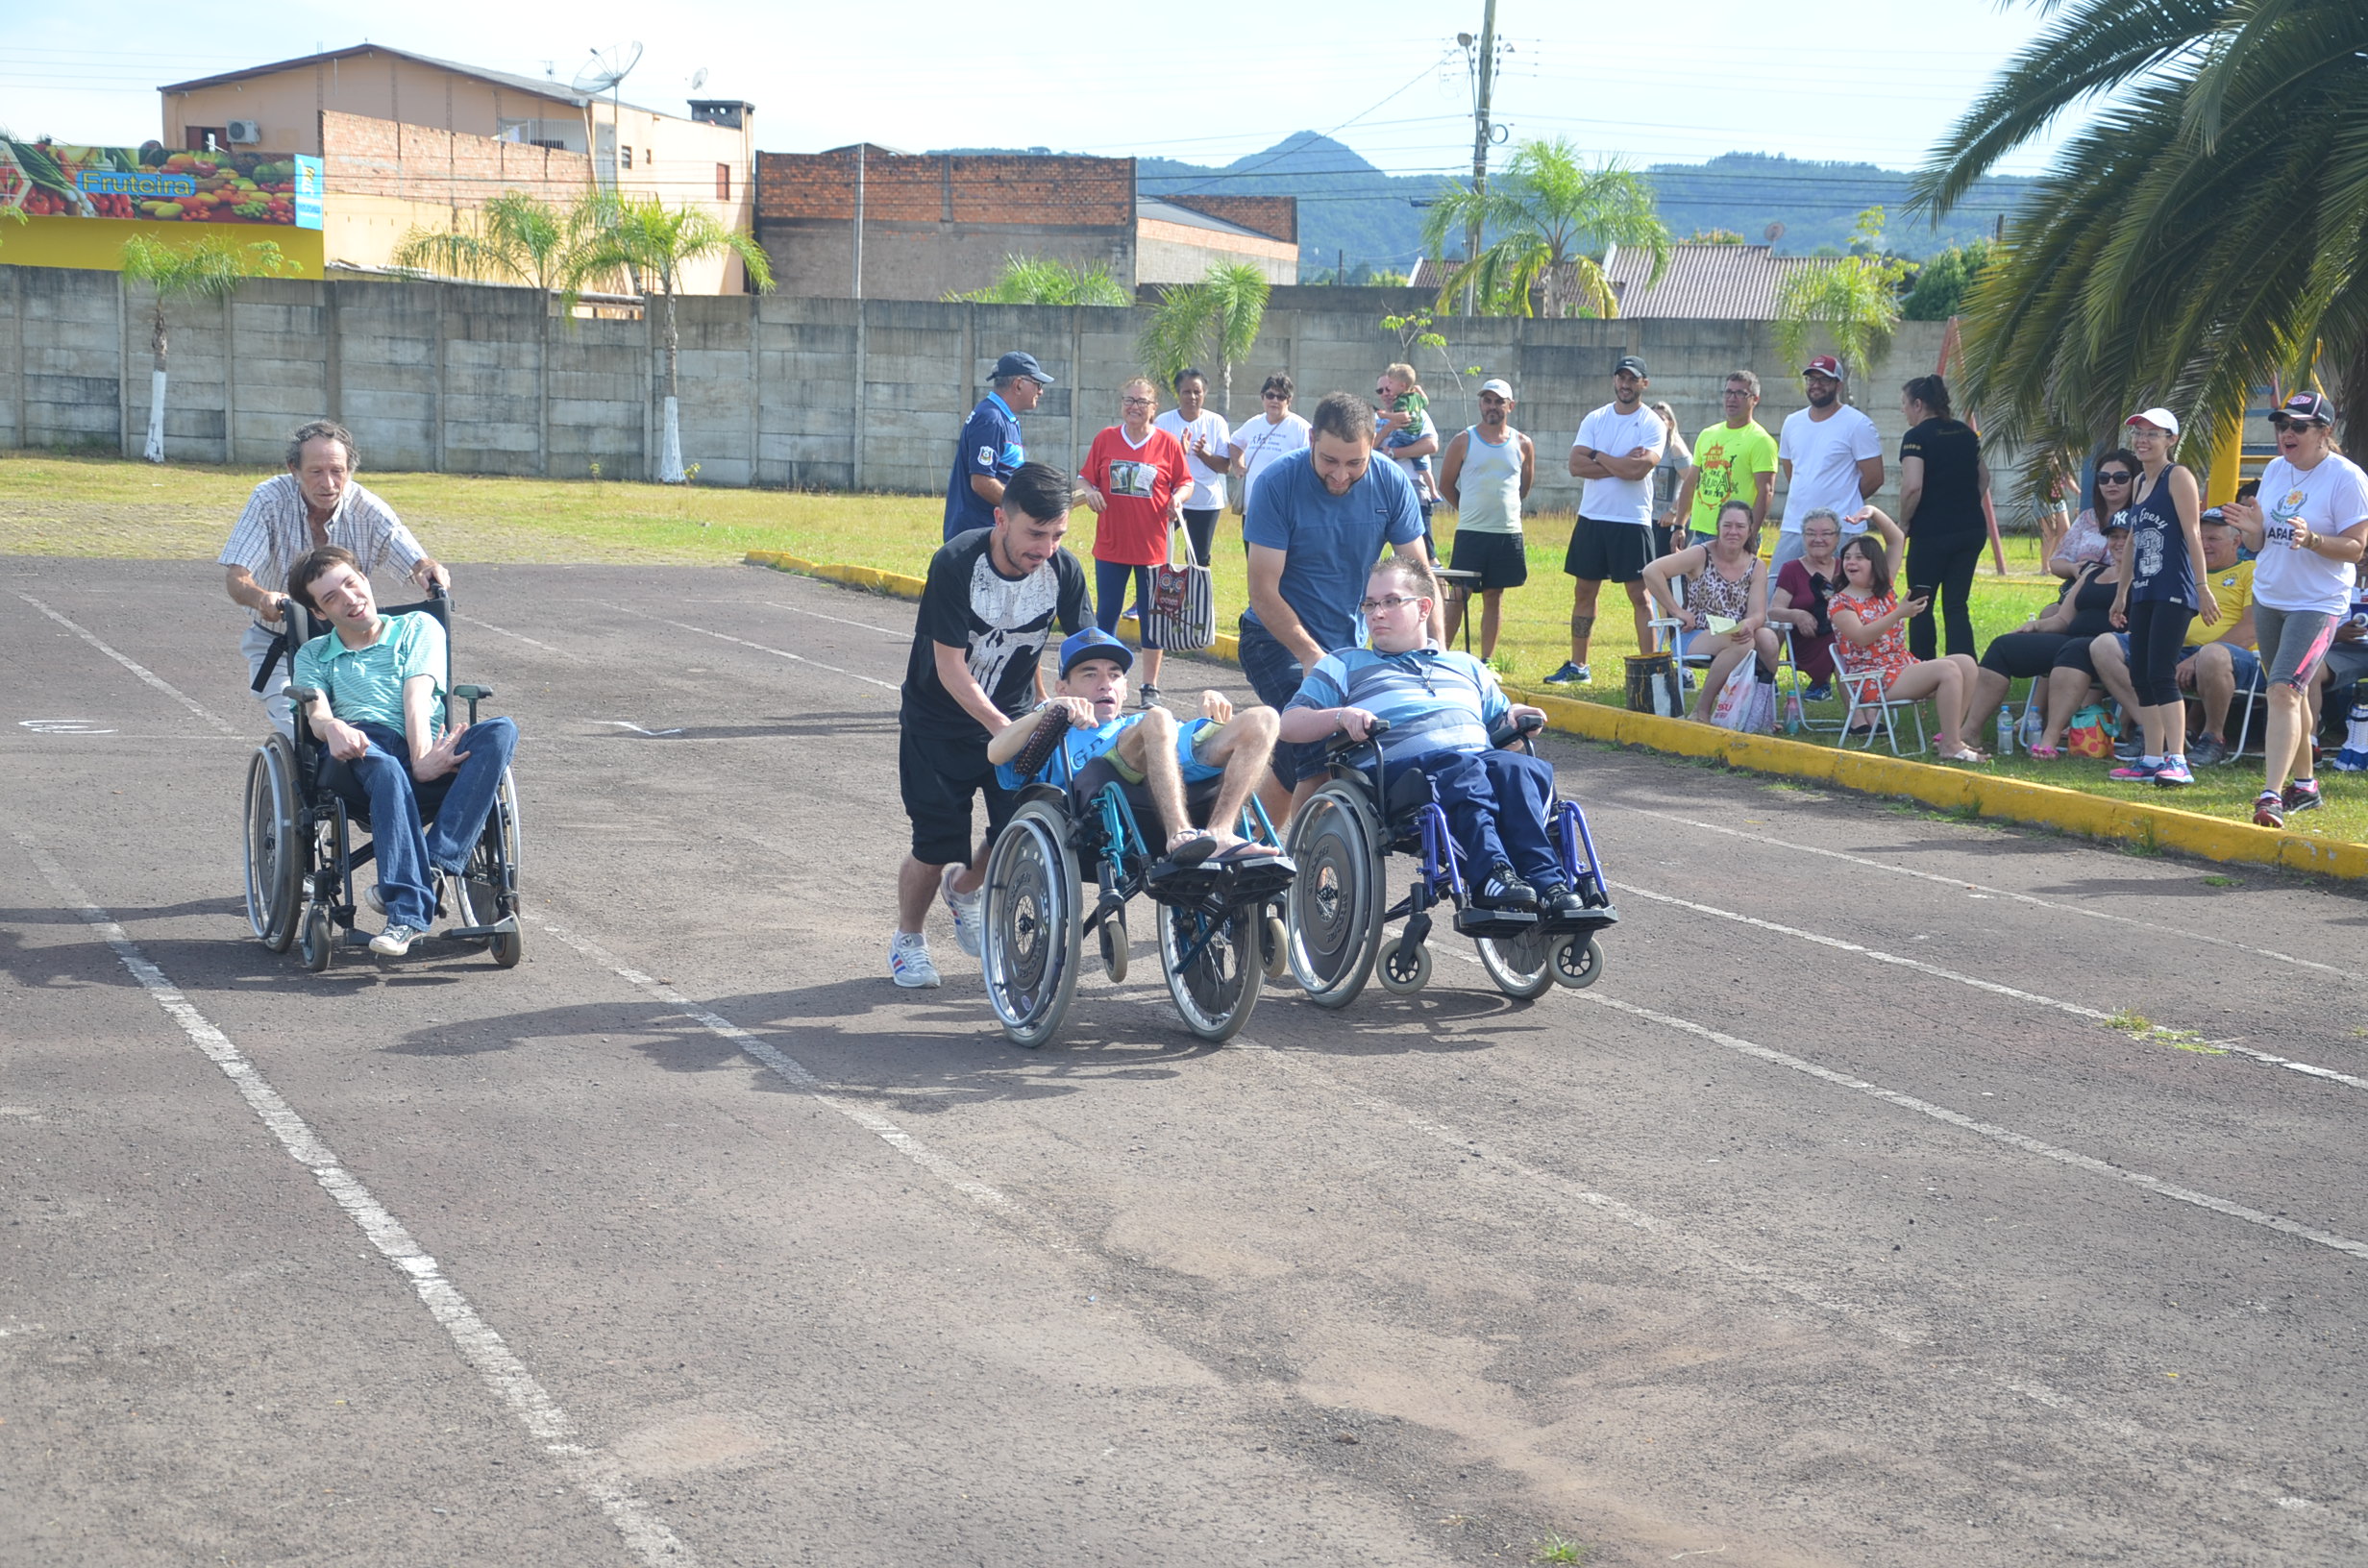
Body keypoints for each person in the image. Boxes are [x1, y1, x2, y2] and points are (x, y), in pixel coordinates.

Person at [1275, 556, 1582, 917]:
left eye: (1390, 601)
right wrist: (1342, 716)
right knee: (1464, 768)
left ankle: (1548, 882)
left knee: (1519, 769)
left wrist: (1514, 715)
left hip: (1473, 764)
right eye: (1370, 604)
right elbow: (1290, 723)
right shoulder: (1344, 664)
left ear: (1423, 608)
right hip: (1402, 778)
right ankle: (1491, 875)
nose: (1376, 613)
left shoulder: (1466, 666)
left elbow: (1501, 723)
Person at [894, 462, 1092, 989]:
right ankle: (908, 939)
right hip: (939, 723)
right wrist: (1006, 727)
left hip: (1017, 722)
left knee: (1020, 828)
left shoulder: (1064, 571)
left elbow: (1088, 652)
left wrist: (1096, 703)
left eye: (1057, 535)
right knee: (936, 844)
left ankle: (965, 891)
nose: (1045, 547)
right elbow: (949, 665)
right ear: (1001, 519)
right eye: (1035, 533)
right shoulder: (957, 563)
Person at [284, 545, 520, 959]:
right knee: (387, 767)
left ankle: (435, 863)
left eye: (351, 584)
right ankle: (407, 916)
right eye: (331, 598)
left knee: (500, 731)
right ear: (320, 614)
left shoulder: (419, 627)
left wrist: (424, 758)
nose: (350, 599)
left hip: (423, 741)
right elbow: (316, 711)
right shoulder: (314, 653)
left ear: (365, 580)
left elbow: (418, 693)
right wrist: (332, 727)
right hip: (360, 749)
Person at [1240, 390, 1435, 820]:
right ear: (1311, 438)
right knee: (1320, 746)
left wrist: (1434, 651)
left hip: (1350, 646)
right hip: (1276, 640)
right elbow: (1262, 591)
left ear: (1373, 445)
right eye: (1330, 460)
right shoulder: (1277, 483)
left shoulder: (1390, 481)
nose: (1341, 475)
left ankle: (1248, 846)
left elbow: (1420, 579)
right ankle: (1309, 867)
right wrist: (1311, 655)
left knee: (1297, 758)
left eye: (1354, 463)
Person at [219, 420, 449, 740]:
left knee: (389, 721)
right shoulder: (268, 500)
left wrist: (426, 567)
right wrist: (262, 600)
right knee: (304, 734)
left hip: (353, 647)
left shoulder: (367, 509)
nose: (328, 483)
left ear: (350, 470)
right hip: (283, 643)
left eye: (337, 471)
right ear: (293, 469)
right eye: (316, 472)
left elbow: (413, 557)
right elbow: (236, 576)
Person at [987, 627, 1282, 863]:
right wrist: (1048, 711)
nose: (1105, 684)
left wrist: (1212, 705)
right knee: (1157, 717)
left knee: (1265, 718)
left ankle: (1221, 830)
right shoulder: (1056, 732)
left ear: (1126, 688)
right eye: (1090, 674)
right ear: (1063, 687)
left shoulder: (1147, 724)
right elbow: (995, 751)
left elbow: (1180, 739)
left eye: (1114, 675)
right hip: (1101, 796)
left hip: (1173, 771)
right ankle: (1178, 831)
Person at [2221, 391, 2368, 825]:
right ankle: (2305, 785)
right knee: (2292, 693)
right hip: (2269, 595)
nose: (2287, 433)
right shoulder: (2274, 469)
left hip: (2317, 602)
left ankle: (2270, 795)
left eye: (2299, 426)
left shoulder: (2346, 477)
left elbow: (2357, 547)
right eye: (2282, 424)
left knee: (2283, 690)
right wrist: (2252, 531)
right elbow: (2260, 542)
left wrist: (2314, 540)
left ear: (2325, 432)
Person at [2086, 508, 2257, 767]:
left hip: (2232, 657)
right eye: (2201, 538)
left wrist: (2198, 656)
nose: (2204, 545)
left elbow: (2251, 628)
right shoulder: (2182, 569)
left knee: (2212, 655)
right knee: (2104, 645)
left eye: (2213, 539)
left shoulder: (2251, 571)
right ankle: (2152, 727)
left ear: (2236, 541)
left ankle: (2213, 738)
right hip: (2176, 648)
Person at [2106, 406, 2218, 787]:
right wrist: (2122, 592)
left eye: (2154, 433)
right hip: (2145, 588)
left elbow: (2193, 535)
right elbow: (2134, 540)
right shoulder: (2139, 483)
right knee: (2140, 673)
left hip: (2175, 588)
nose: (2143, 440)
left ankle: (2178, 760)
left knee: (2160, 673)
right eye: (2139, 432)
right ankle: (2152, 757)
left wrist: (2202, 589)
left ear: (2171, 440)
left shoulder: (2178, 477)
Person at [1545, 355, 1665, 686]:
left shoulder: (1653, 423)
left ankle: (1649, 667)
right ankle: (1578, 665)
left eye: (1632, 379)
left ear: (1644, 384)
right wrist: (1614, 462)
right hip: (1592, 518)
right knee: (1584, 592)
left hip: (1632, 520)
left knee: (1640, 596)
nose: (1625, 384)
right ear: (1614, 380)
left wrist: (1597, 457)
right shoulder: (1595, 419)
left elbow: (1639, 470)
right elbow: (1575, 466)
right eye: (1621, 378)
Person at [1970, 517, 2130, 755]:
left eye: (2126, 537)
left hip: (2109, 649)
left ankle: (2049, 738)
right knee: (2003, 646)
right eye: (2114, 537)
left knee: (2074, 649)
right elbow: (2063, 620)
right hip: (2071, 642)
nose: (2119, 543)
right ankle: (1969, 732)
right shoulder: (2092, 573)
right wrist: (2034, 627)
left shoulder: (2145, 579)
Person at [1078, 378, 1193, 707]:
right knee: (1107, 615)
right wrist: (1089, 491)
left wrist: (1178, 499)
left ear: (1154, 408)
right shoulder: (1106, 439)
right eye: (1129, 400)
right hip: (1112, 545)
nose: (1134, 407)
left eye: (1142, 402)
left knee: (1152, 617)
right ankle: (1102, 685)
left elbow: (1185, 483)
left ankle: (1149, 686)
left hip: (1152, 548)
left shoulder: (1168, 444)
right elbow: (1084, 478)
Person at [1829, 533, 1990, 762]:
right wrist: (1899, 613)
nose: (1851, 562)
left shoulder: (1884, 593)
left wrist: (1872, 513)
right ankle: (1952, 745)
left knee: (1966, 662)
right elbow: (1862, 637)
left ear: (1875, 563)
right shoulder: (1840, 602)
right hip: (1872, 678)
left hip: (1899, 667)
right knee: (1948, 670)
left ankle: (1951, 736)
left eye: (1860, 557)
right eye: (1847, 557)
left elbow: (1896, 538)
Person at [1640, 499, 1782, 724]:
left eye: (1740, 526)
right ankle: (1701, 711)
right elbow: (1651, 572)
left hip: (1738, 631)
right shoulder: (1701, 553)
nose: (1733, 532)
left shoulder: (1757, 566)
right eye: (1727, 525)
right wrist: (1676, 610)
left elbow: (1758, 613)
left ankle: (1760, 714)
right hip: (1696, 632)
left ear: (1750, 530)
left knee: (1769, 639)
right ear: (1718, 527)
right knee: (1744, 644)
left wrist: (1750, 624)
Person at [1897, 374, 2003, 659]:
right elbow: (1984, 478)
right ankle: (1965, 665)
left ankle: (1923, 666)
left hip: (1932, 532)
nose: (1904, 411)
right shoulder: (1966, 433)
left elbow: (1912, 487)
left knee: (1920, 601)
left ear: (1918, 404)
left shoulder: (1916, 437)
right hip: (1970, 529)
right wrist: (1965, 504)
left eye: (1905, 404)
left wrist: (1904, 523)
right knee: (1956, 603)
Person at [1436, 378, 1535, 663]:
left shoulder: (1523, 444)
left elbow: (1524, 486)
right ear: (1480, 404)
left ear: (1510, 406)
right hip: (1471, 533)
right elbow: (1445, 485)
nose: (1492, 407)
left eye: (1498, 402)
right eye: (1487, 400)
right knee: (1459, 595)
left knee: (1494, 595)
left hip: (1506, 533)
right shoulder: (1463, 440)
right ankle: (1441, 656)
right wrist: (1466, 509)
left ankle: (1487, 661)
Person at [1769, 504, 1905, 703]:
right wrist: (1797, 615)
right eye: (1810, 533)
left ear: (1838, 538)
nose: (1818, 539)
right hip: (1811, 639)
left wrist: (1873, 512)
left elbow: (1896, 542)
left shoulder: (1849, 567)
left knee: (1844, 642)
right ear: (1803, 537)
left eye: (1826, 533)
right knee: (1840, 645)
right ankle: (1856, 715)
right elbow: (1774, 610)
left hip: (1856, 639)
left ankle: (1859, 710)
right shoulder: (1792, 569)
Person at [1774, 355, 1885, 576]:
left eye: (1824, 380)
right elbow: (1792, 471)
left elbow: (1874, 477)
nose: (1816, 385)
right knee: (1775, 594)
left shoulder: (1857, 424)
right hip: (1795, 526)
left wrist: (1844, 497)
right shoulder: (1792, 422)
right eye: (1811, 379)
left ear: (1838, 385)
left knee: (1836, 597)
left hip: (1840, 529)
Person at [942, 351, 1051, 542]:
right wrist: (1022, 509)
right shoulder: (991, 420)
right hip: (977, 532)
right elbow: (982, 481)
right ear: (1018, 384)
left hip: (991, 530)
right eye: (1038, 384)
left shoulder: (1004, 418)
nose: (1040, 391)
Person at [1670, 370, 1779, 553]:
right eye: (1728, 392)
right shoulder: (1708, 434)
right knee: (1689, 581)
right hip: (1702, 532)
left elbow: (1766, 491)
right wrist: (1679, 525)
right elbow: (1691, 482)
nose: (1732, 398)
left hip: (1735, 536)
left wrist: (1750, 535)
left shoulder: (1761, 440)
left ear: (1755, 399)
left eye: (1740, 393)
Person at [1152, 367, 1231, 569]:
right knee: (1157, 552)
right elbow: (1153, 465)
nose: (1192, 396)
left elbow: (1224, 466)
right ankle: (1158, 597)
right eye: (1187, 391)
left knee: (1198, 559)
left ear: (1205, 393)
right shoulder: (1164, 421)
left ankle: (1196, 599)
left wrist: (1201, 453)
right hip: (1171, 501)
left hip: (1205, 502)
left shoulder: (1216, 422)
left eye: (1197, 391)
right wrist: (1178, 451)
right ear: (1178, 393)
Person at [1375, 362, 1443, 555]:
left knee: (1423, 553)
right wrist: (1389, 426)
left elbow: (1431, 445)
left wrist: (1393, 454)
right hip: (1381, 487)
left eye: (1389, 387)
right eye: (1381, 390)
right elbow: (1365, 448)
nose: (1386, 393)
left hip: (1413, 487)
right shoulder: (1373, 418)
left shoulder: (1417, 414)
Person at [1227, 372, 1311, 515]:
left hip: (1283, 508)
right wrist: (1238, 467)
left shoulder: (1301, 427)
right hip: (1251, 507)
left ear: (1289, 400)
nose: (1275, 400)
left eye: (1281, 397)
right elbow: (1235, 443)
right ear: (1262, 397)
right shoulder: (1253, 424)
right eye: (1270, 395)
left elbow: (1311, 463)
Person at [2048, 449, 2137, 579]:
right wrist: (2073, 569)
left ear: (2135, 479)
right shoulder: (2087, 518)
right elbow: (2056, 562)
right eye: (2104, 478)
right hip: (2083, 591)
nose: (2111, 483)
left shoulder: (2144, 518)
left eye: (2120, 478)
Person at [1647, 401, 1693, 558]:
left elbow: (1693, 483)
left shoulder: (1675, 449)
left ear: (1671, 423)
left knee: (1669, 576)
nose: (1656, 424)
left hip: (1668, 522)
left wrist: (1674, 512)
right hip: (1649, 519)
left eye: (1661, 420)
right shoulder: (1648, 448)